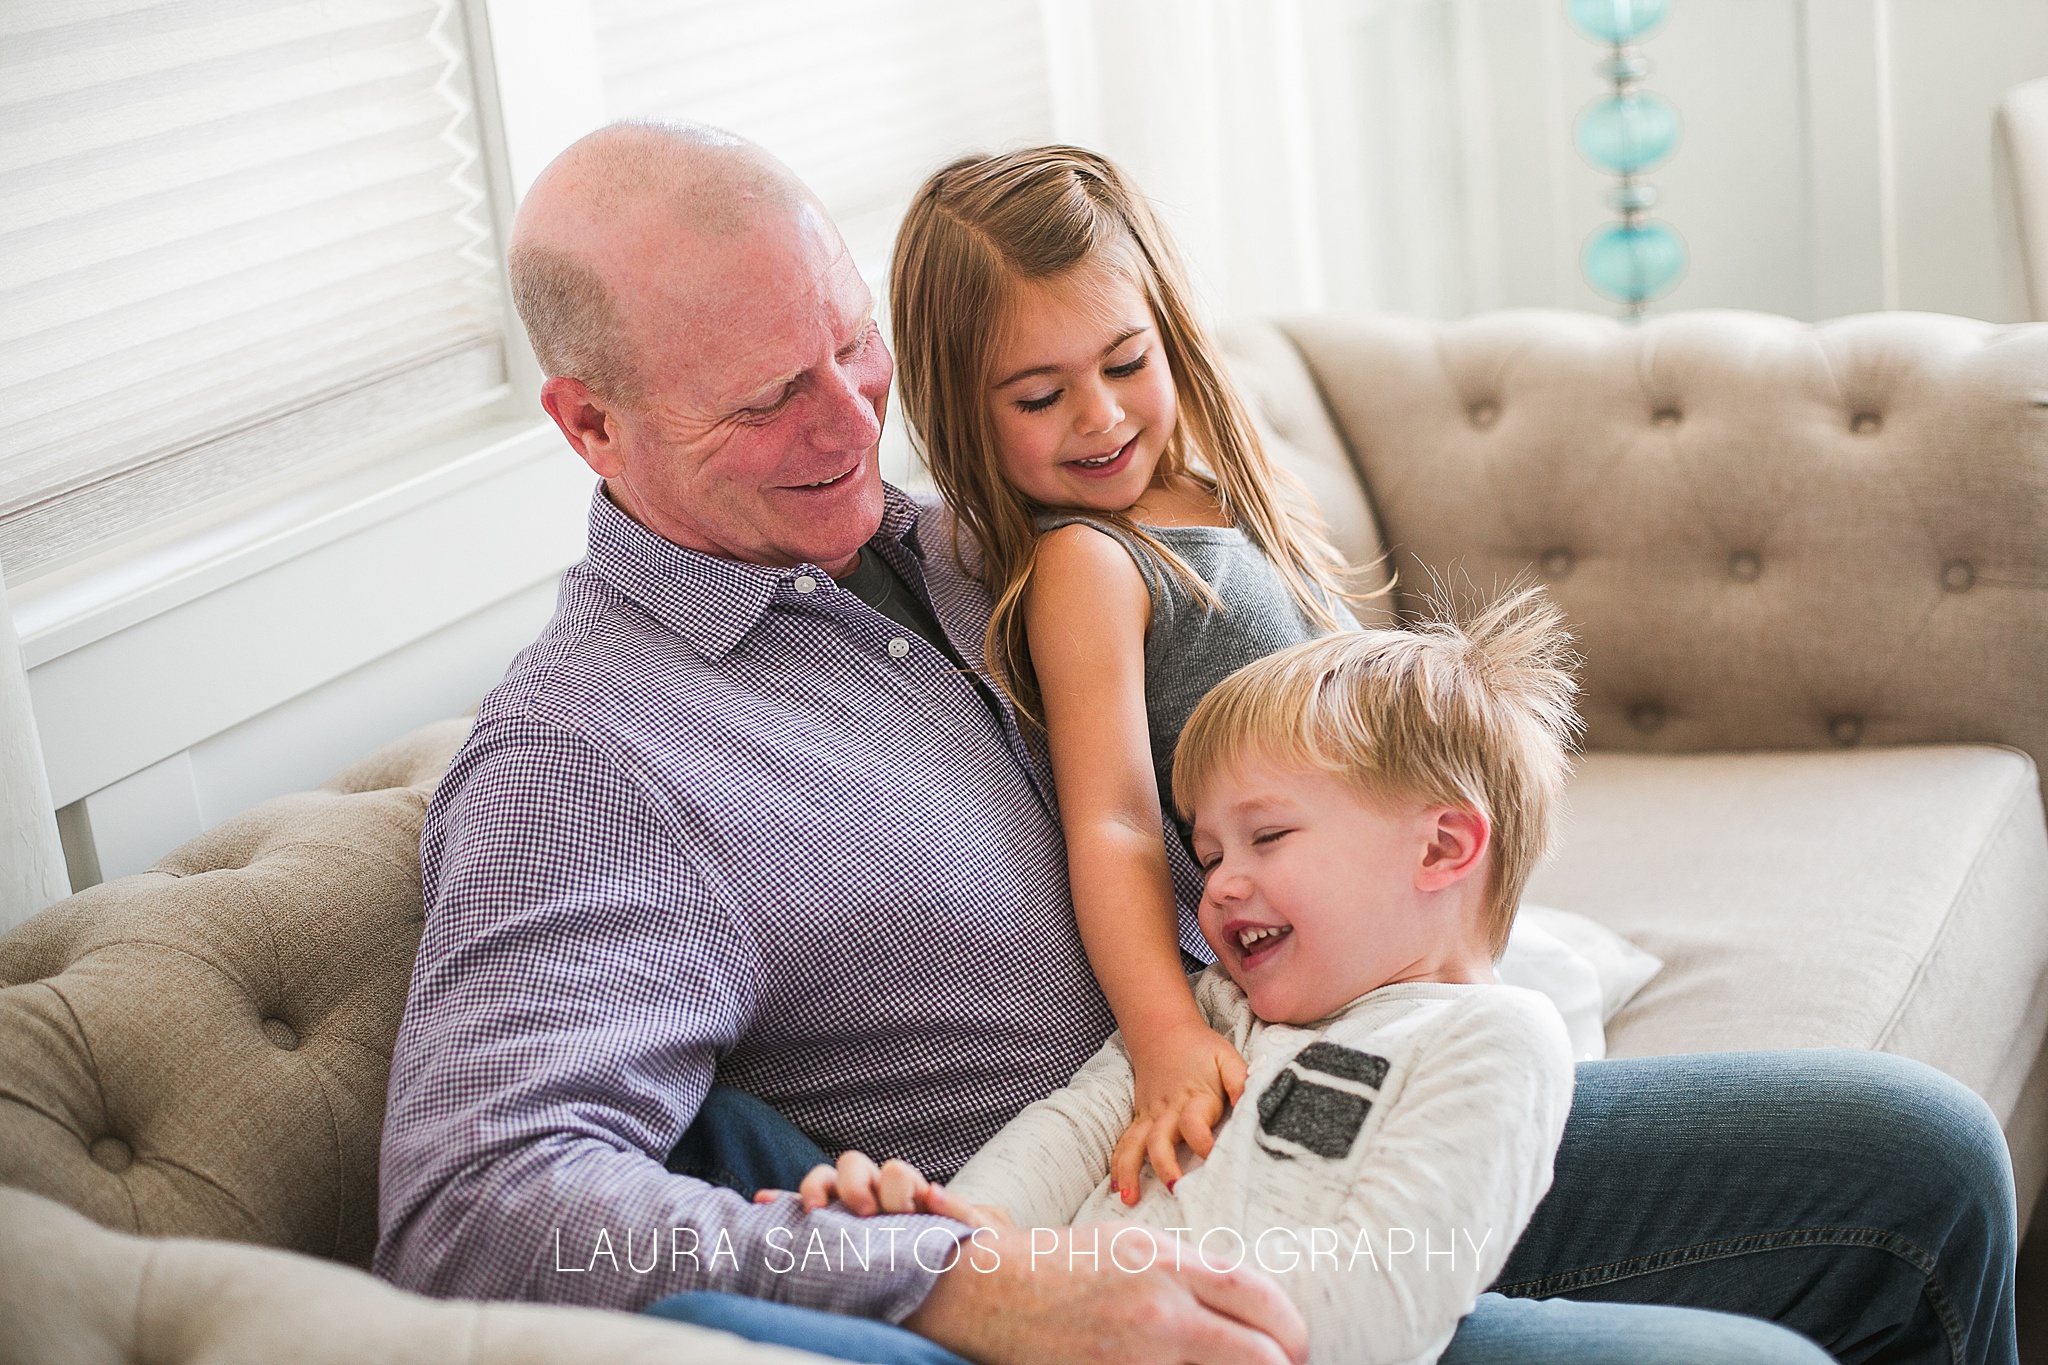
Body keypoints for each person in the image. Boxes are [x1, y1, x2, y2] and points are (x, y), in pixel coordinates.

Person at [374, 119, 2019, 1365]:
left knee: (1920, 1165)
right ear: (588, 421)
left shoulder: (958, 549)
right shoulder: (587, 755)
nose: (848, 423)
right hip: (1153, 1230)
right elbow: (470, 1218)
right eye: (764, 401)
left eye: (850, 347)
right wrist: (968, 1279)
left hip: (1316, 1081)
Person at [789, 598, 1585, 1365]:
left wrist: (1137, 1305)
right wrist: (957, 1231)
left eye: (1266, 836)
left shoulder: (1495, 1039)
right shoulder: (1213, 1009)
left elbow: (1388, 1295)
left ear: (1442, 848)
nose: (1219, 888)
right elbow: (1071, 1130)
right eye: (1208, 856)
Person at [888, 146, 1362, 1202]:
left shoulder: (1221, 489)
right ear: (963, 413)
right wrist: (1163, 1039)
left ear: (1168, 333)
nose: (1098, 417)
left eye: (1120, 363)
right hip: (1291, 975)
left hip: (1382, 926)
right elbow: (1110, 820)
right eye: (1038, 395)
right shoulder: (1086, 566)